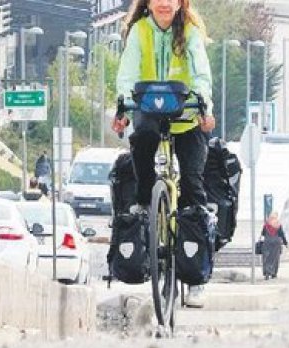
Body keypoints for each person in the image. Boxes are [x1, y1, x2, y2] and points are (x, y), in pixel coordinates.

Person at [112, 0, 215, 307]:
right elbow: (127, 73)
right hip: (148, 111)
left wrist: (204, 105)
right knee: (141, 141)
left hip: (186, 117)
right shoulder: (139, 31)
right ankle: (146, 202)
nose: (164, 3)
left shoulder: (191, 31)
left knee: (194, 186)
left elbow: (201, 72)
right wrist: (123, 107)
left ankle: (196, 278)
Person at [259, 212, 288, 280]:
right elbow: (282, 234)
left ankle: (266, 273)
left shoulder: (266, 225)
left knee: (266, 258)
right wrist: (285, 243)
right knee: (275, 258)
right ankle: (273, 274)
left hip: (267, 242)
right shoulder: (278, 225)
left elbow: (262, 233)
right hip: (276, 243)